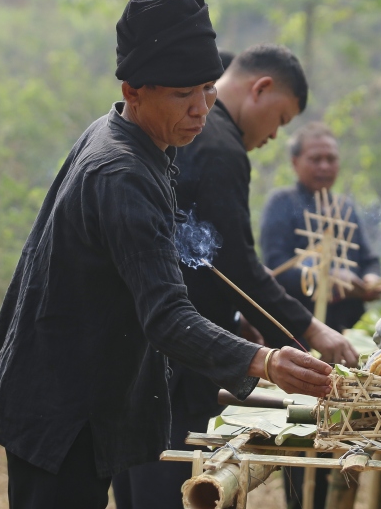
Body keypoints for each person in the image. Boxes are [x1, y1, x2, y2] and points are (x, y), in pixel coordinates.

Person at [0, 0, 332, 509]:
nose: (200, 110)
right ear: (133, 91)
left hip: (84, 394)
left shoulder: (137, 140)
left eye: (208, 91)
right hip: (60, 406)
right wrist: (266, 362)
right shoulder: (121, 171)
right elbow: (166, 316)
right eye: (182, 94)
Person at [112, 43, 357, 509]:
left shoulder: (187, 139)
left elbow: (206, 259)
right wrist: (311, 330)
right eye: (280, 120)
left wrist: (238, 317)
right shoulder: (219, 145)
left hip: (143, 343)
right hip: (178, 354)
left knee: (138, 481)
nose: (271, 137)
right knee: (164, 486)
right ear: (260, 89)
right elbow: (236, 265)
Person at [260, 122, 381, 509]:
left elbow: (368, 258)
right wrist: (325, 274)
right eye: (316, 158)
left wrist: (369, 277)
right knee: (303, 426)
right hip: (298, 334)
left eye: (331, 158)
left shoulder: (343, 207)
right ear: (296, 162)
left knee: (347, 423)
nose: (325, 166)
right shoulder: (282, 204)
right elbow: (273, 267)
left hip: (345, 335)